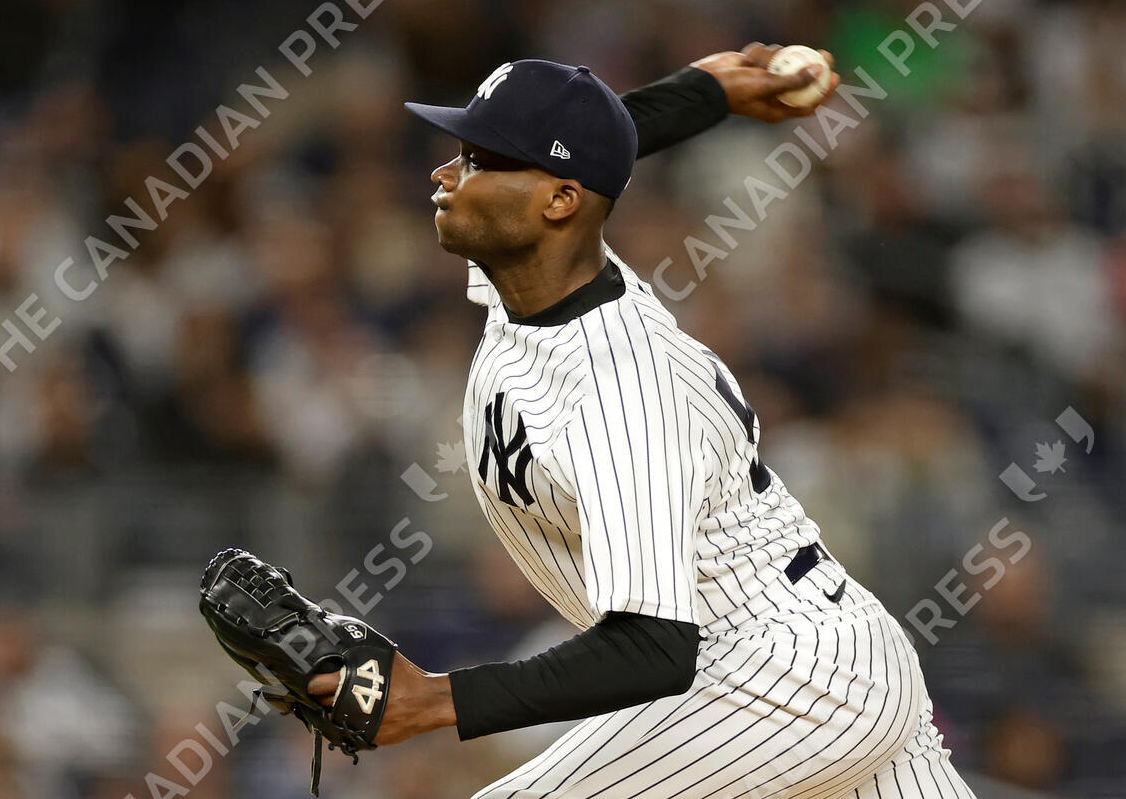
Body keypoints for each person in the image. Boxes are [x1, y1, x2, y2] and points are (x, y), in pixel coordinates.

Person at [309, 45, 974, 798]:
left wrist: (434, 701)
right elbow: (584, 155)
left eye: (476, 160)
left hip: (783, 679)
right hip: (802, 664)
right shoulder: (533, 264)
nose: (445, 174)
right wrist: (705, 92)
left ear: (557, 203)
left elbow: (652, 649)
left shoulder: (619, 388)